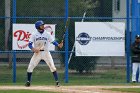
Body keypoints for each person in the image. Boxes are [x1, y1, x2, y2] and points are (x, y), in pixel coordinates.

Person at [25, 20, 63, 87]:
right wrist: (33, 49)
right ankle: (28, 82)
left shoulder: (47, 33)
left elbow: (53, 41)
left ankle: (57, 82)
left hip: (46, 52)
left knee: (52, 67)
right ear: (38, 27)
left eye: (43, 25)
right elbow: (29, 44)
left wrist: (58, 45)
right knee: (30, 67)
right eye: (41, 25)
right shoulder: (34, 34)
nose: (43, 26)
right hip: (37, 53)